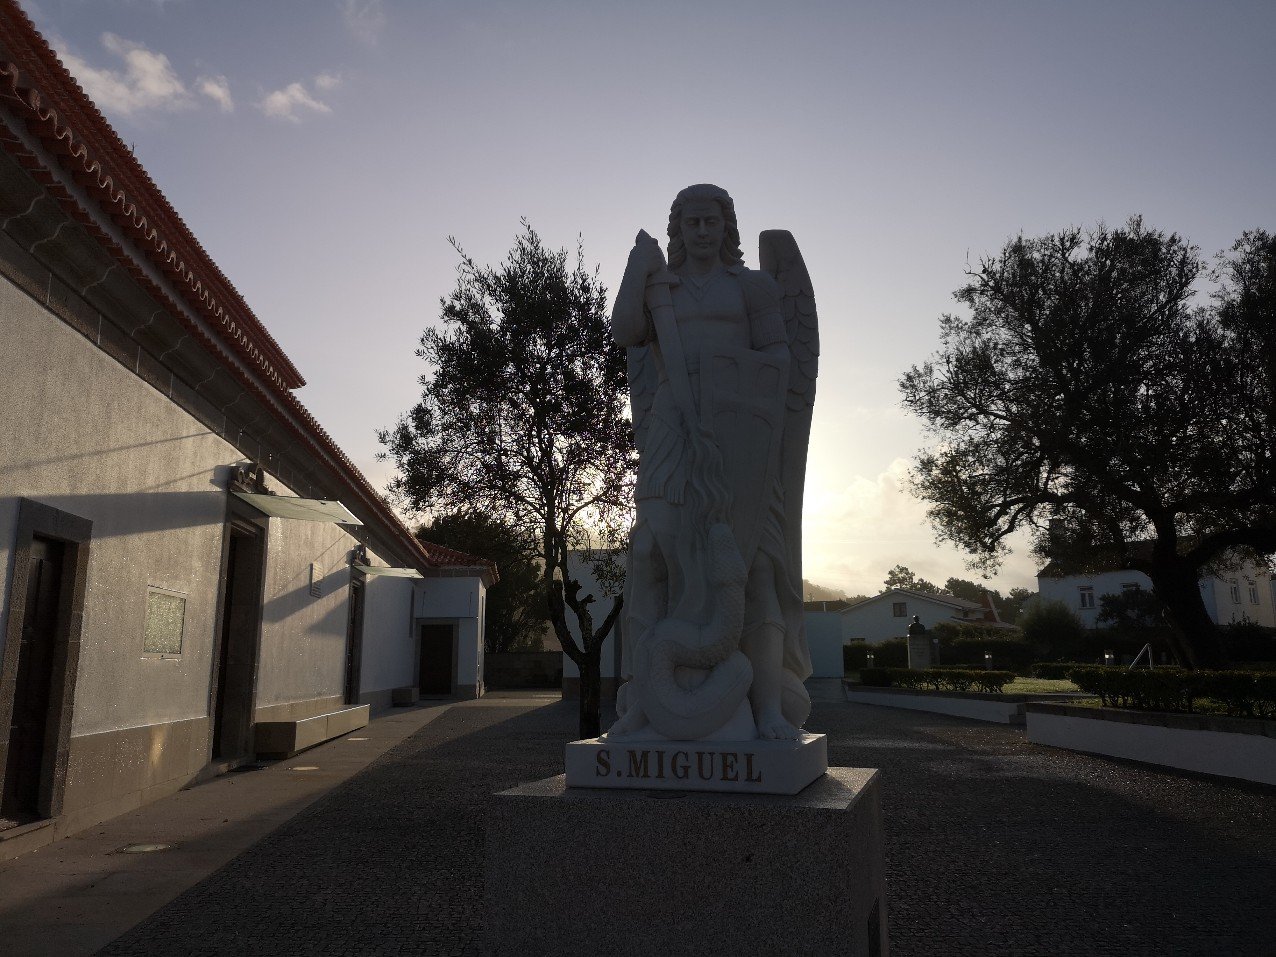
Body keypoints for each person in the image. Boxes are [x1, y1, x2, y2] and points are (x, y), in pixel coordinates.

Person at [608, 184, 811, 741]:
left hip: (738, 435)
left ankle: (767, 709)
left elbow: (777, 362)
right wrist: (637, 267)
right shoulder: (659, 290)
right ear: (676, 229)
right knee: (649, 553)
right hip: (673, 426)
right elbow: (624, 332)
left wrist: (729, 388)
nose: (701, 232)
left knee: (755, 568)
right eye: (691, 223)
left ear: (727, 228)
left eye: (711, 222)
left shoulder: (754, 287)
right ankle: (645, 705)